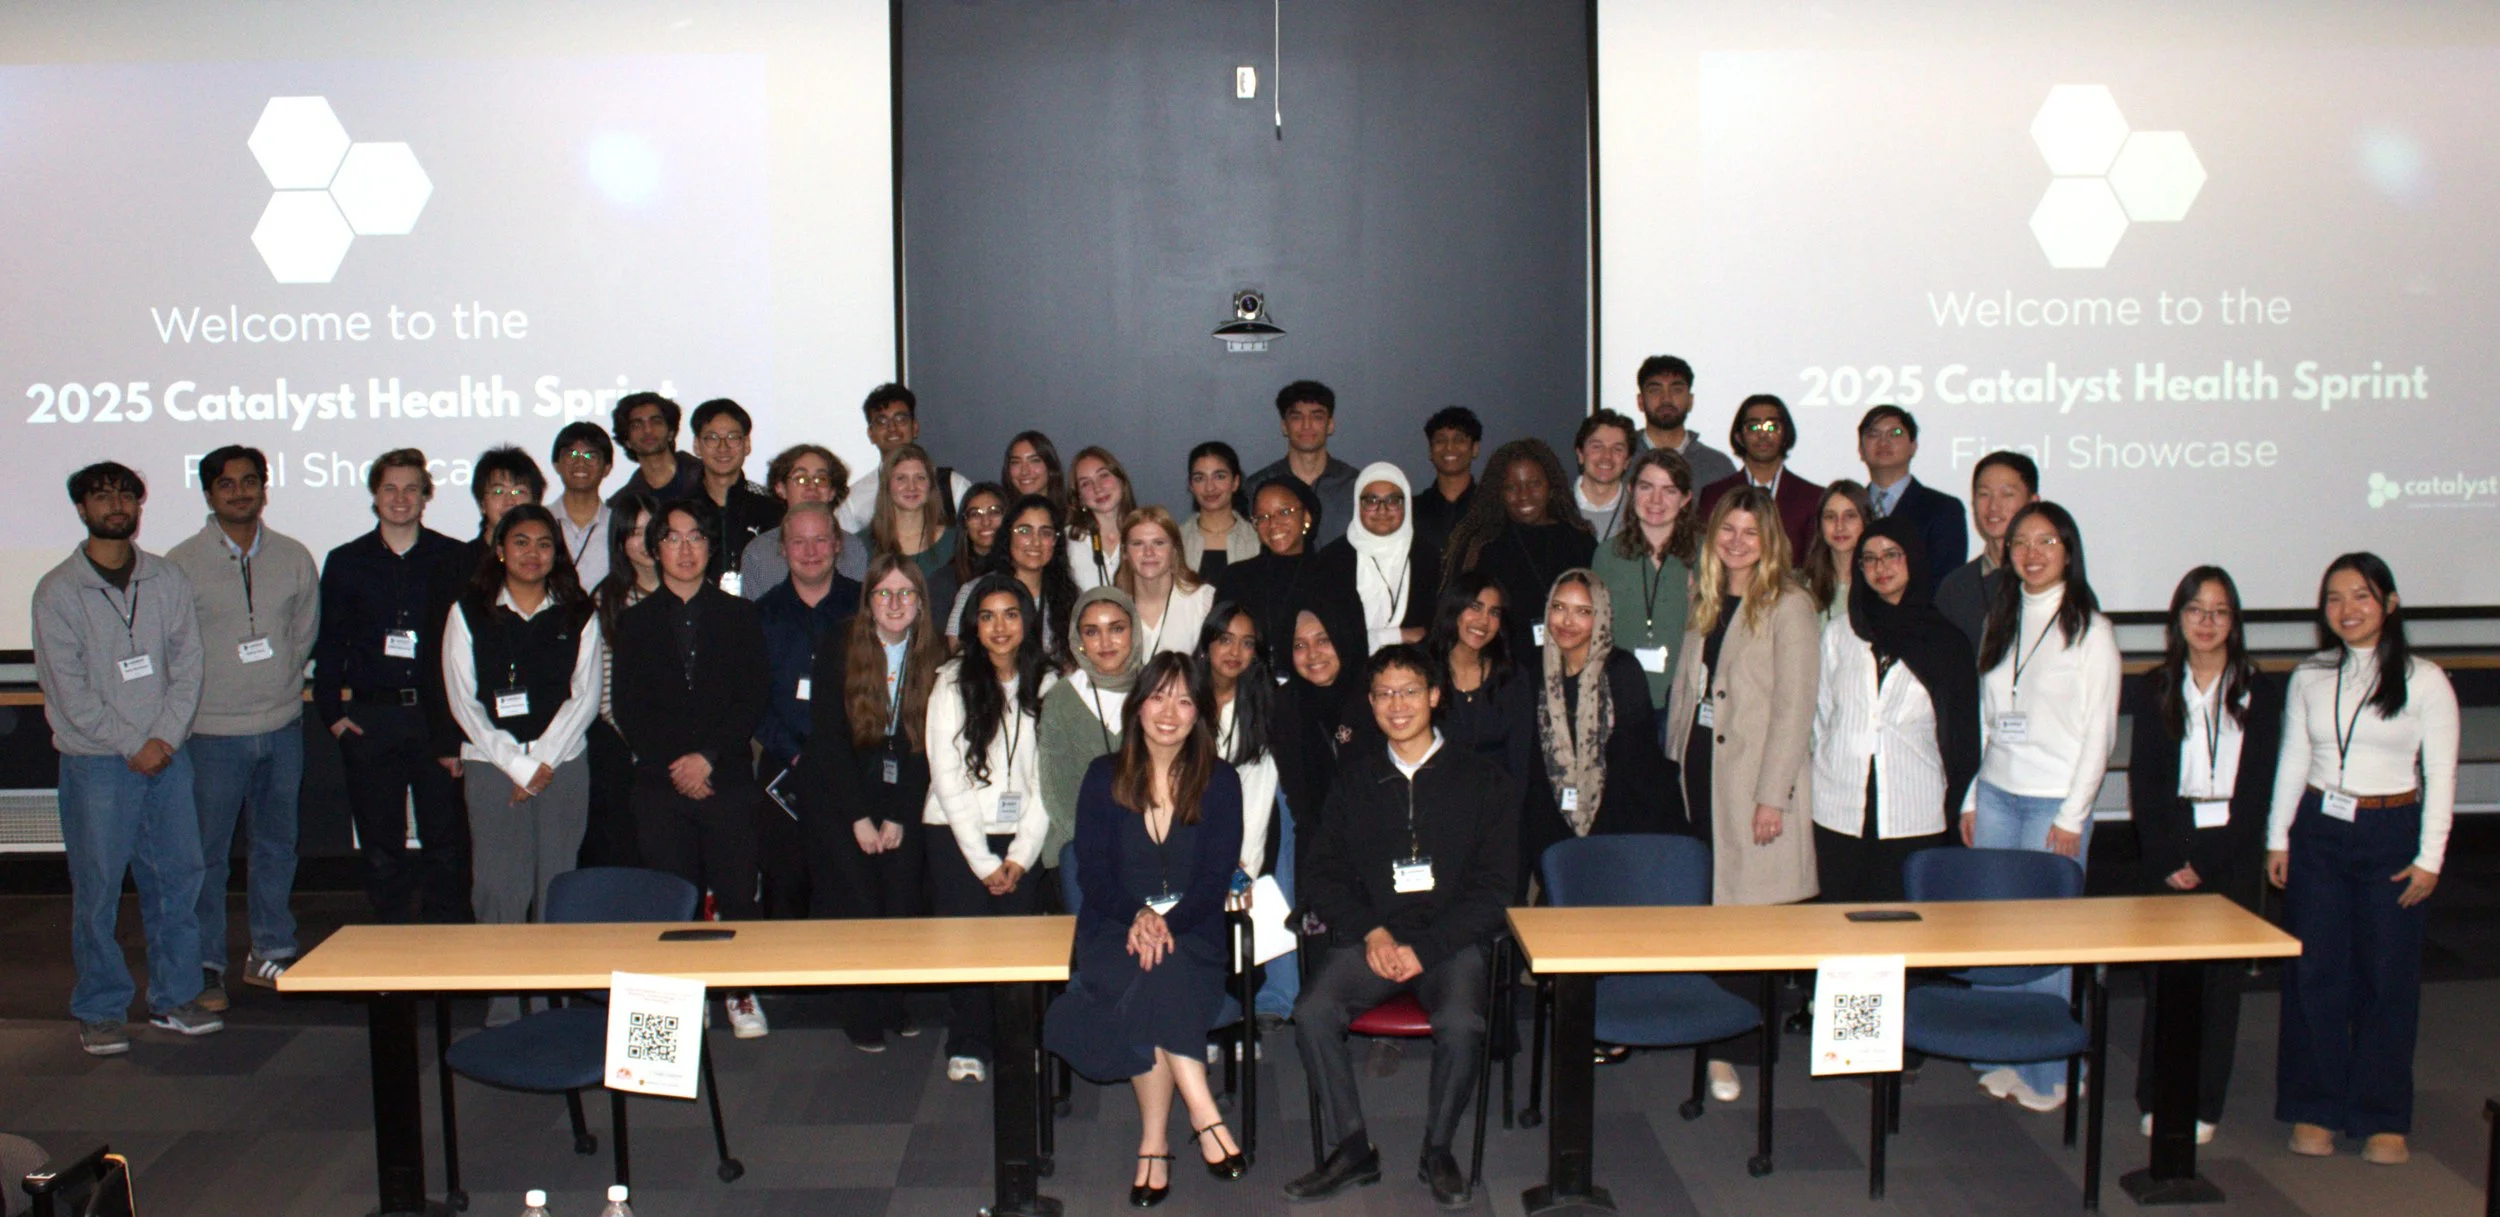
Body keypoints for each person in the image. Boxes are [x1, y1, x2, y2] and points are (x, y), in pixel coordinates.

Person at [1287, 646, 1517, 1208]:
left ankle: (1438, 1149)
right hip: (1376, 941)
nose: (1397, 704)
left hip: (1450, 943)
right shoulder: (1355, 781)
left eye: (1410, 690)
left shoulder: (1482, 779)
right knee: (1312, 1012)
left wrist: (1429, 947)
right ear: (1369, 704)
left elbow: (1497, 889)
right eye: (1384, 693)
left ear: (1435, 696)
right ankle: (1351, 1149)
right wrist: (1373, 932)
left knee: (1462, 1023)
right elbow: (1321, 873)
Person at [2267, 554, 2456, 1166]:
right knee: (2315, 973)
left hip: (2392, 830)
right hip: (2320, 830)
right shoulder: (2311, 676)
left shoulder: (2426, 680)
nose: (2347, 610)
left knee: (2387, 976)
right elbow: (2294, 759)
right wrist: (2278, 837)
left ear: (2391, 603)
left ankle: (2380, 1114)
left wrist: (2431, 857)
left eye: (2362, 596)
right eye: (2334, 599)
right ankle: (2316, 1107)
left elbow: (2441, 774)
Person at [1044, 653, 1250, 1205]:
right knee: (1154, 971)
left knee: (1163, 970)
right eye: (1158, 696)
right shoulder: (1102, 777)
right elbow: (1092, 872)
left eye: (1185, 700)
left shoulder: (1221, 781)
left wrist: (1166, 922)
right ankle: (1202, 1111)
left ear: (1199, 714)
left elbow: (1213, 880)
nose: (1169, 711)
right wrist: (1139, 915)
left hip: (1195, 932)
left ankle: (1154, 1141)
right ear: (1138, 707)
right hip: (1114, 929)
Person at [34, 462, 219, 1054]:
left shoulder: (166, 578)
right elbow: (68, 689)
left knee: (179, 881)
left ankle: (175, 998)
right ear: (81, 508)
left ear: (140, 506)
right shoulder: (58, 590)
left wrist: (163, 739)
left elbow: (189, 665)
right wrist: (131, 744)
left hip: (168, 757)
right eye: (100, 495)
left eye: (125, 494)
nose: (115, 504)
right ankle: (101, 1008)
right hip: (97, 764)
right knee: (98, 890)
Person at [1960, 501, 2119, 1111]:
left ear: (2068, 551)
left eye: (2045, 540)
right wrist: (1974, 794)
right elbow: (1987, 717)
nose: (2031, 552)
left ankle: (2050, 1070)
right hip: (1998, 792)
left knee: (2047, 936)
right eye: (2021, 541)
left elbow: (2099, 735)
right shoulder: (2002, 617)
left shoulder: (2093, 631)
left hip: (2055, 802)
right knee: (1992, 928)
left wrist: (2072, 816)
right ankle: (1996, 1051)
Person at [1664, 487, 1819, 1102]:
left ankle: (1735, 1052)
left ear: (1770, 539)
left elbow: (1795, 709)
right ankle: (1715, 1036)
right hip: (1702, 773)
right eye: (1727, 530)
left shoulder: (1790, 604)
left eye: (1750, 533)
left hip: (1753, 782)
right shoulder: (1704, 596)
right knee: (1714, 910)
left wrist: (1772, 798)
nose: (1736, 542)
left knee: (1748, 918)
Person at [2127, 566, 2279, 1145]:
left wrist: (2209, 862)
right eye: (2196, 610)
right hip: (2169, 840)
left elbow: (2258, 789)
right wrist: (2170, 857)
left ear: (2234, 622)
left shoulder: (2259, 691)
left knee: (2218, 988)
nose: (2207, 622)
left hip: (2231, 849)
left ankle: (2204, 1102)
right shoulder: (2156, 686)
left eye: (2219, 611)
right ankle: (2156, 1095)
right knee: (2164, 981)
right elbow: (2146, 782)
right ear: (2178, 619)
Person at [613, 498, 774, 1039]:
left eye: (697, 537)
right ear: (655, 549)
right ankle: (680, 1001)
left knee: (736, 895)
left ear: (711, 547)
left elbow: (751, 696)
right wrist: (674, 765)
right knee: (670, 899)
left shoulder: (740, 615)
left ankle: (740, 992)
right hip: (660, 784)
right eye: (673, 538)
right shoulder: (632, 623)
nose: (686, 549)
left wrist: (706, 757)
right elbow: (629, 707)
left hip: (725, 777)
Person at [166, 446, 317, 1008]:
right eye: (226, 484)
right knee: (205, 854)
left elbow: (304, 631)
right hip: (210, 733)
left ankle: (271, 950)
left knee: (277, 846)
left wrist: (278, 679)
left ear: (265, 488)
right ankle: (207, 963)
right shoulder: (180, 563)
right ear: (209, 494)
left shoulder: (294, 556)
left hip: (281, 724)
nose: (240, 492)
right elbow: (173, 648)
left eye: (250, 481)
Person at [442, 505, 602, 1025]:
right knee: (497, 886)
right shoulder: (468, 611)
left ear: (557, 553)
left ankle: (555, 999)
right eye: (521, 542)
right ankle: (506, 1005)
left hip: (563, 764)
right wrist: (516, 764)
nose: (532, 554)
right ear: (500, 549)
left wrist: (541, 762)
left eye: (544, 544)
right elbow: (463, 700)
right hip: (492, 766)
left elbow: (585, 696)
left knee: (556, 882)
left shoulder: (579, 611)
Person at [313, 449, 469, 924]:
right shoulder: (345, 561)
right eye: (389, 489)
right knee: (381, 845)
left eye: (410, 489)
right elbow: (330, 643)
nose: (400, 499)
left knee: (446, 841)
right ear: (374, 496)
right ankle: (390, 947)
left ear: (426, 496)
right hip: (370, 720)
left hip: (434, 718)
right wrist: (333, 717)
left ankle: (448, 951)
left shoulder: (454, 557)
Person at [804, 553, 944, 1051]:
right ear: (868, 601)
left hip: (904, 785)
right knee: (859, 903)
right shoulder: (840, 643)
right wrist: (860, 819)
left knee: (901, 902)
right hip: (841, 788)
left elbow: (930, 746)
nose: (895, 602)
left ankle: (893, 1000)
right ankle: (860, 1009)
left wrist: (901, 817)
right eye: (883, 592)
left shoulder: (934, 657)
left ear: (921, 604)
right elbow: (827, 738)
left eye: (906, 593)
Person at [926, 575, 1056, 1081]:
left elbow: (1049, 779)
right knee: (969, 941)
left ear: (1027, 621)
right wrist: (983, 862)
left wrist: (1021, 855)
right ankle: (970, 1041)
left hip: (1024, 832)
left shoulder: (1048, 683)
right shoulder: (951, 681)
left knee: (1020, 944)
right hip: (957, 833)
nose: (999, 627)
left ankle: (1020, 1040)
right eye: (987, 616)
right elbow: (947, 776)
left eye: (1010, 614)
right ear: (973, 626)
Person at [1810, 516, 1978, 905]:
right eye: (1868, 559)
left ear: (1913, 560)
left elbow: (1962, 737)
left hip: (1913, 808)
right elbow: (1821, 716)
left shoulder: (1947, 642)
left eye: (1891, 555)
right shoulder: (1840, 632)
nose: (1880, 567)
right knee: (1838, 928)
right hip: (1838, 808)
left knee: (1902, 930)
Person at [1520, 572, 1678, 886]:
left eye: (1583, 611)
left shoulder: (1621, 671)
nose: (1567, 621)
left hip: (1618, 828)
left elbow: (1636, 766)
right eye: (1560, 607)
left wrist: (1595, 834)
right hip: (1554, 828)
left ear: (1602, 617)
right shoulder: (1535, 673)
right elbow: (1536, 769)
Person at [753, 503, 863, 920]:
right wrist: (796, 754)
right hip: (784, 773)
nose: (811, 550)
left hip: (854, 773)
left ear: (838, 544)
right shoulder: (760, 616)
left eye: (821, 539)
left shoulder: (867, 606)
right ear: (782, 549)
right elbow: (751, 700)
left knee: (851, 889)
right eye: (799, 541)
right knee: (786, 890)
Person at [1193, 603, 1289, 1020]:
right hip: (1187, 835)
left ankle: (1232, 1017)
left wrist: (1242, 867)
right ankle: (1194, 1018)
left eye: (1247, 643)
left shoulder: (1264, 704)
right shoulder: (1182, 698)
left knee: (1238, 920)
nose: (1235, 651)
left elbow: (1260, 790)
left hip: (1244, 840)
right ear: (1207, 644)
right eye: (1225, 639)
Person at [425, 446, 543, 766]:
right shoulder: (455, 565)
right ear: (481, 502)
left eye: (520, 491)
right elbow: (437, 656)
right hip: (472, 734)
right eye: (498, 491)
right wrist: (449, 740)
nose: (509, 501)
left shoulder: (551, 564)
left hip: (545, 735)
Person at [1442, 438, 1596, 660]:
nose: (1524, 495)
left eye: (1534, 484)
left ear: (1551, 486)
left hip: (1572, 665)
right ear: (1500, 494)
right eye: (1512, 487)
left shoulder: (1581, 542)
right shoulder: (1483, 547)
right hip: (1505, 672)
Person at [1039, 586, 1143, 892]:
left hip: (1149, 842)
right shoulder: (1061, 697)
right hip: (1079, 843)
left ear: (1133, 632)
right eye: (1092, 632)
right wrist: (1098, 842)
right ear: (1079, 641)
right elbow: (1056, 790)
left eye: (1117, 629)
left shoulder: (1157, 690)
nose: (1106, 642)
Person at [1590, 448, 1698, 724]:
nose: (1656, 500)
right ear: (1631, 489)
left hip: (1684, 699)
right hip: (1621, 698)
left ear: (1686, 498)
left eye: (1669, 490)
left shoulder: (1705, 555)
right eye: (1646, 487)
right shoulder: (1607, 555)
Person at [1213, 478, 1365, 673]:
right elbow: (1217, 649)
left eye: (1284, 512)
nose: (1273, 524)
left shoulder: (1334, 575)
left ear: (1307, 517)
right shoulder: (1235, 577)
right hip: (1249, 692)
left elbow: (1354, 651)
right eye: (1263, 517)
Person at [583, 495, 662, 869]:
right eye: (632, 533)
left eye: (650, 531)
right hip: (626, 750)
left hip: (687, 752)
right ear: (618, 541)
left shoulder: (690, 590)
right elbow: (603, 687)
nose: (643, 542)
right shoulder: (608, 599)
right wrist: (644, 745)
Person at [1424, 572, 1536, 782]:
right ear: (1454, 608)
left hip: (1493, 801)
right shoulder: (1422, 669)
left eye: (1494, 612)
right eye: (1475, 607)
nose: (1484, 621)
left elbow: (1520, 761)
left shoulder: (1512, 676)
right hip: (1431, 798)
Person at [1320, 462, 1439, 656]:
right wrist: (1396, 636)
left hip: (1412, 671)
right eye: (1371, 500)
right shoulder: (1332, 560)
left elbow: (1434, 632)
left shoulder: (1428, 557)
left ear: (1406, 504)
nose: (1382, 510)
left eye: (1392, 500)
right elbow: (1330, 637)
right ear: (1358, 504)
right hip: (1347, 672)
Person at [947, 494, 1079, 660]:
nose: (1035, 542)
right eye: (1024, 531)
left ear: (1055, 541)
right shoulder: (976, 590)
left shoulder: (1068, 596)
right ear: (1008, 535)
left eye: (1045, 533)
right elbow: (958, 655)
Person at [1855, 405, 1966, 599]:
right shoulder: (1848, 509)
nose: (1883, 442)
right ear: (1861, 449)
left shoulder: (1943, 508)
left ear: (1913, 446)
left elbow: (1946, 583)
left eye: (1895, 433)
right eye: (1873, 434)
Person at [1696, 394, 1822, 561]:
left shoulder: (1812, 498)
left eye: (1771, 427)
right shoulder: (1715, 495)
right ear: (1739, 437)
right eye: (1754, 427)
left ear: (1785, 434)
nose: (1763, 435)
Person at [1935, 450, 2039, 652]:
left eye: (2007, 494)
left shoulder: (2053, 582)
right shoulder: (1955, 587)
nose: (1993, 506)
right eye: (1984, 494)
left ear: (2033, 502)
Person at [840, 383, 973, 531]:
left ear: (915, 427)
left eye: (900, 419)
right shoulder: (854, 499)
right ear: (871, 434)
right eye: (882, 421)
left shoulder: (952, 485)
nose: (892, 428)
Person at [738, 444, 864, 600]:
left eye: (821, 479)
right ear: (780, 488)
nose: (812, 486)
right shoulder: (759, 552)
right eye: (801, 478)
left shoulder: (853, 548)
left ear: (832, 491)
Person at [1248, 379, 1361, 547]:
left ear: (1330, 425)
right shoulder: (1258, 486)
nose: (1306, 425)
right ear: (1284, 426)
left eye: (1317, 417)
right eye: (1297, 417)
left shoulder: (1356, 485)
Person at [686, 398, 783, 594]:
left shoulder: (773, 507)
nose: (723, 447)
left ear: (747, 445)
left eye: (733, 437)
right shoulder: (680, 508)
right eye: (712, 438)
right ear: (697, 445)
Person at [1117, 507, 1215, 656]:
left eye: (1159, 543)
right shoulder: (1113, 606)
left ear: (1175, 550)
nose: (1148, 552)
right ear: (1124, 553)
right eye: (1138, 544)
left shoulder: (1203, 602)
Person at [1630, 355, 1737, 488]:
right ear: (1640, 401)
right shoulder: (1622, 461)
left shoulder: (1718, 467)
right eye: (1655, 390)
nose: (1666, 399)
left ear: (1690, 401)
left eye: (1676, 390)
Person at [930, 480, 1009, 644]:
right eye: (975, 514)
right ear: (964, 524)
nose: (985, 521)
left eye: (994, 512)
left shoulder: (1023, 573)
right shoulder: (944, 581)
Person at [866, 442, 958, 581]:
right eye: (901, 478)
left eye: (920, 478)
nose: (911, 487)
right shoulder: (862, 545)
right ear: (887, 486)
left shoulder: (956, 542)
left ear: (931, 485)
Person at [604, 391, 702, 512]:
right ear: (627, 440)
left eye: (656, 422)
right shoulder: (622, 504)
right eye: (637, 425)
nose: (648, 430)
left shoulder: (706, 476)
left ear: (671, 432)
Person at [1411, 406, 1482, 569]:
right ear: (1430, 450)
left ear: (1475, 449)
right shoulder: (1412, 510)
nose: (1449, 448)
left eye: (1459, 440)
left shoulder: (1492, 508)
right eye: (1440, 440)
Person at [549, 422, 617, 591]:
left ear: (607, 468)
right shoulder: (541, 521)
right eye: (571, 454)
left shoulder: (618, 524)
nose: (580, 462)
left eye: (590, 456)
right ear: (556, 464)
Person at [1181, 441, 1259, 583]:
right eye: (1199, 478)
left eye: (1219, 476)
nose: (1209, 487)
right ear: (1191, 486)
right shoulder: (1176, 541)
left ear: (1235, 482)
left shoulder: (1258, 540)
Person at [1801, 480, 1873, 627]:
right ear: (1820, 525)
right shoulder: (1801, 586)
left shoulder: (1879, 584)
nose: (1839, 526)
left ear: (1866, 521)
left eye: (1850, 516)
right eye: (1830, 516)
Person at [1067, 446, 1139, 591]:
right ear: (1079, 497)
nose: (1097, 488)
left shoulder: (1147, 533)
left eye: (1103, 476)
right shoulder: (1067, 541)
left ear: (1121, 480)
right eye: (1085, 483)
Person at [1570, 410, 1639, 542]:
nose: (1607, 456)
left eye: (1617, 449)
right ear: (1580, 454)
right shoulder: (1556, 510)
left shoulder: (1641, 514)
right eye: (1597, 447)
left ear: (1627, 461)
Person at [1000, 430, 1067, 510]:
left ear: (1050, 466)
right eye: (1016, 462)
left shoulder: (1071, 517)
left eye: (1034, 461)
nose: (1024, 471)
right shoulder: (999, 517)